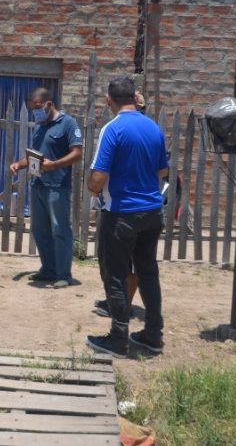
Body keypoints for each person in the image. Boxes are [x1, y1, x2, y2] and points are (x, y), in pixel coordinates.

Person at [85, 77, 169, 358]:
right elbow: (162, 171)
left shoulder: (112, 129)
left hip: (121, 213)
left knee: (115, 275)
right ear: (134, 98)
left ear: (109, 100)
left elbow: (98, 176)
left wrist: (92, 188)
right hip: (152, 212)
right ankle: (153, 335)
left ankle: (118, 338)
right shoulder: (153, 128)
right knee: (148, 273)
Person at [8, 87, 83, 288]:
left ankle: (64, 275)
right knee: (39, 230)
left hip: (57, 186)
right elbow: (35, 155)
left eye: (38, 107)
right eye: (33, 108)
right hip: (38, 184)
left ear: (49, 104)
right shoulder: (40, 126)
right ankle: (48, 269)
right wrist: (19, 164)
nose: (36, 112)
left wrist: (54, 165)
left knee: (59, 229)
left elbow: (77, 153)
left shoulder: (68, 123)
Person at [91, 90, 146, 318]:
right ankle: (117, 302)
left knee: (123, 263)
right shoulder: (148, 130)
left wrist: (94, 187)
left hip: (125, 208)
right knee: (118, 261)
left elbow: (100, 173)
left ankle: (123, 309)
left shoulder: (120, 130)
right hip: (132, 206)